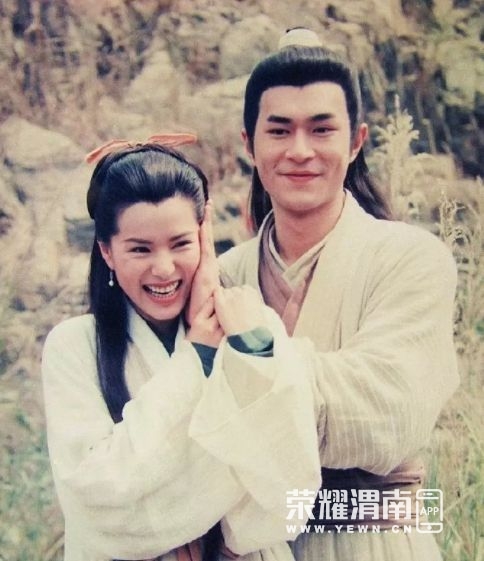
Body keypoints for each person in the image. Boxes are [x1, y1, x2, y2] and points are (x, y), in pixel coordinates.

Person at [218, 28, 459, 561]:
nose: (300, 150)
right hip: (252, 547)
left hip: (376, 539)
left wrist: (255, 358)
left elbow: (387, 412)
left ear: (355, 142)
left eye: (322, 129)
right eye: (279, 130)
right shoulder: (225, 277)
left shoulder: (411, 259)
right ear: (249, 144)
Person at [41, 137, 323, 561]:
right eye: (140, 249)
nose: (163, 268)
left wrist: (245, 346)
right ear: (107, 252)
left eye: (181, 244)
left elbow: (288, 487)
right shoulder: (74, 346)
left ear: (203, 238)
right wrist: (197, 360)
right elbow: (97, 496)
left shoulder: (248, 324)